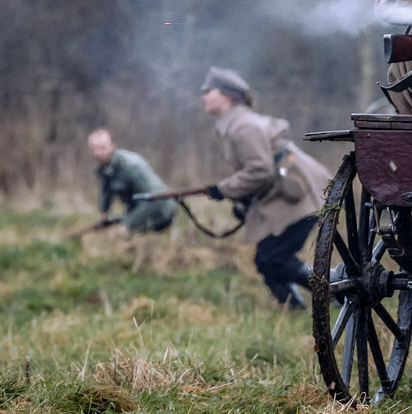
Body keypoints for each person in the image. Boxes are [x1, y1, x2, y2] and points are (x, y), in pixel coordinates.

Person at [200, 67, 331, 310]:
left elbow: (260, 171)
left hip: (300, 196)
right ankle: (296, 306)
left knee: (271, 258)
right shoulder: (237, 124)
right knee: (268, 260)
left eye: (209, 90)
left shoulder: (243, 127)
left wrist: (224, 189)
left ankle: (333, 289)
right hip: (289, 194)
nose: (203, 95)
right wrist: (242, 203)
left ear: (227, 96)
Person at [87, 128, 176, 234]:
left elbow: (151, 199)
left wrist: (128, 224)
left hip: (160, 209)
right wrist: (103, 214)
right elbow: (106, 191)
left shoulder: (130, 167)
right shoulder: (101, 169)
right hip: (136, 208)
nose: (99, 153)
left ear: (112, 146)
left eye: (102, 148)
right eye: (95, 149)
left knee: (121, 235)